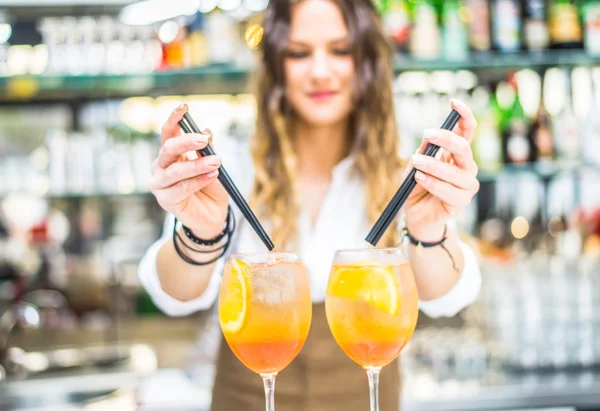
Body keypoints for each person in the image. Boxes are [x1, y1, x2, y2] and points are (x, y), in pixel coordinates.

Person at [138, 1, 482, 410]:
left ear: (367, 60)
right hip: (246, 395)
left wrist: (428, 232)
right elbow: (176, 294)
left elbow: (446, 295)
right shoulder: (227, 162)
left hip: (366, 394)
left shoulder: (407, 167)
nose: (320, 71)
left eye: (340, 50)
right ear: (275, 65)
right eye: (299, 53)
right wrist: (202, 233)